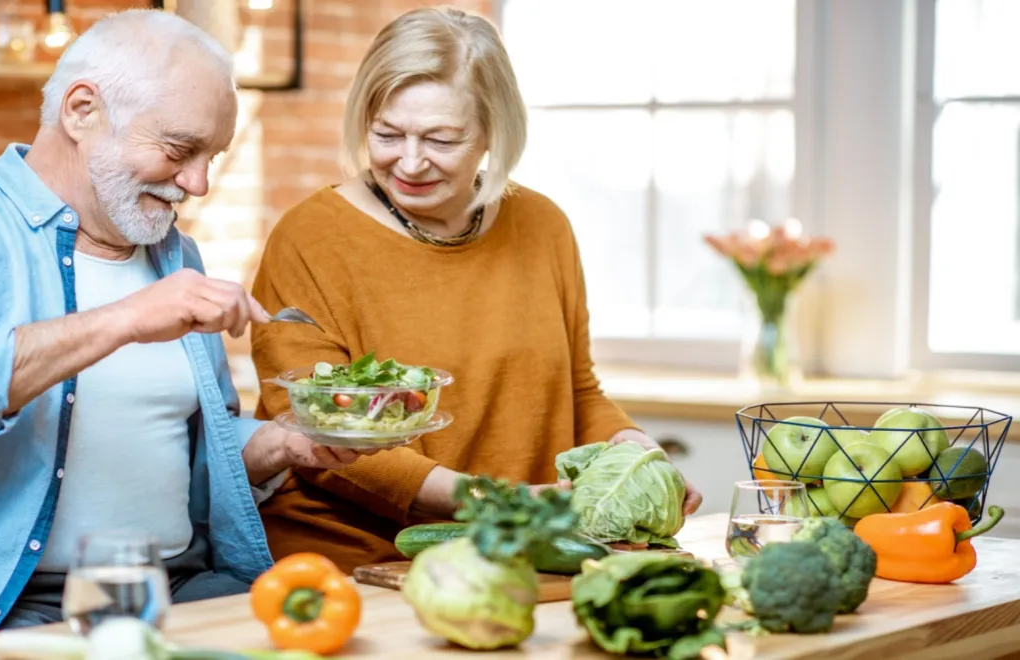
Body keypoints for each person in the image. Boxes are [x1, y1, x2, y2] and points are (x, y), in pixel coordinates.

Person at [0, 10, 363, 658]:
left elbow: (174, 448)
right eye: (179, 149)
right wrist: (126, 320)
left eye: (211, 157)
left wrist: (280, 444)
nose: (199, 183)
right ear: (82, 111)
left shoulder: (174, 256)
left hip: (179, 588)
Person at [248, 7, 703, 574]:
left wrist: (640, 456)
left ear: (493, 131)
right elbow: (317, 433)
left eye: (442, 139)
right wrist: (498, 502)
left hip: (520, 552)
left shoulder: (543, 225)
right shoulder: (311, 237)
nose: (409, 162)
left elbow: (577, 391)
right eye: (387, 134)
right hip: (362, 564)